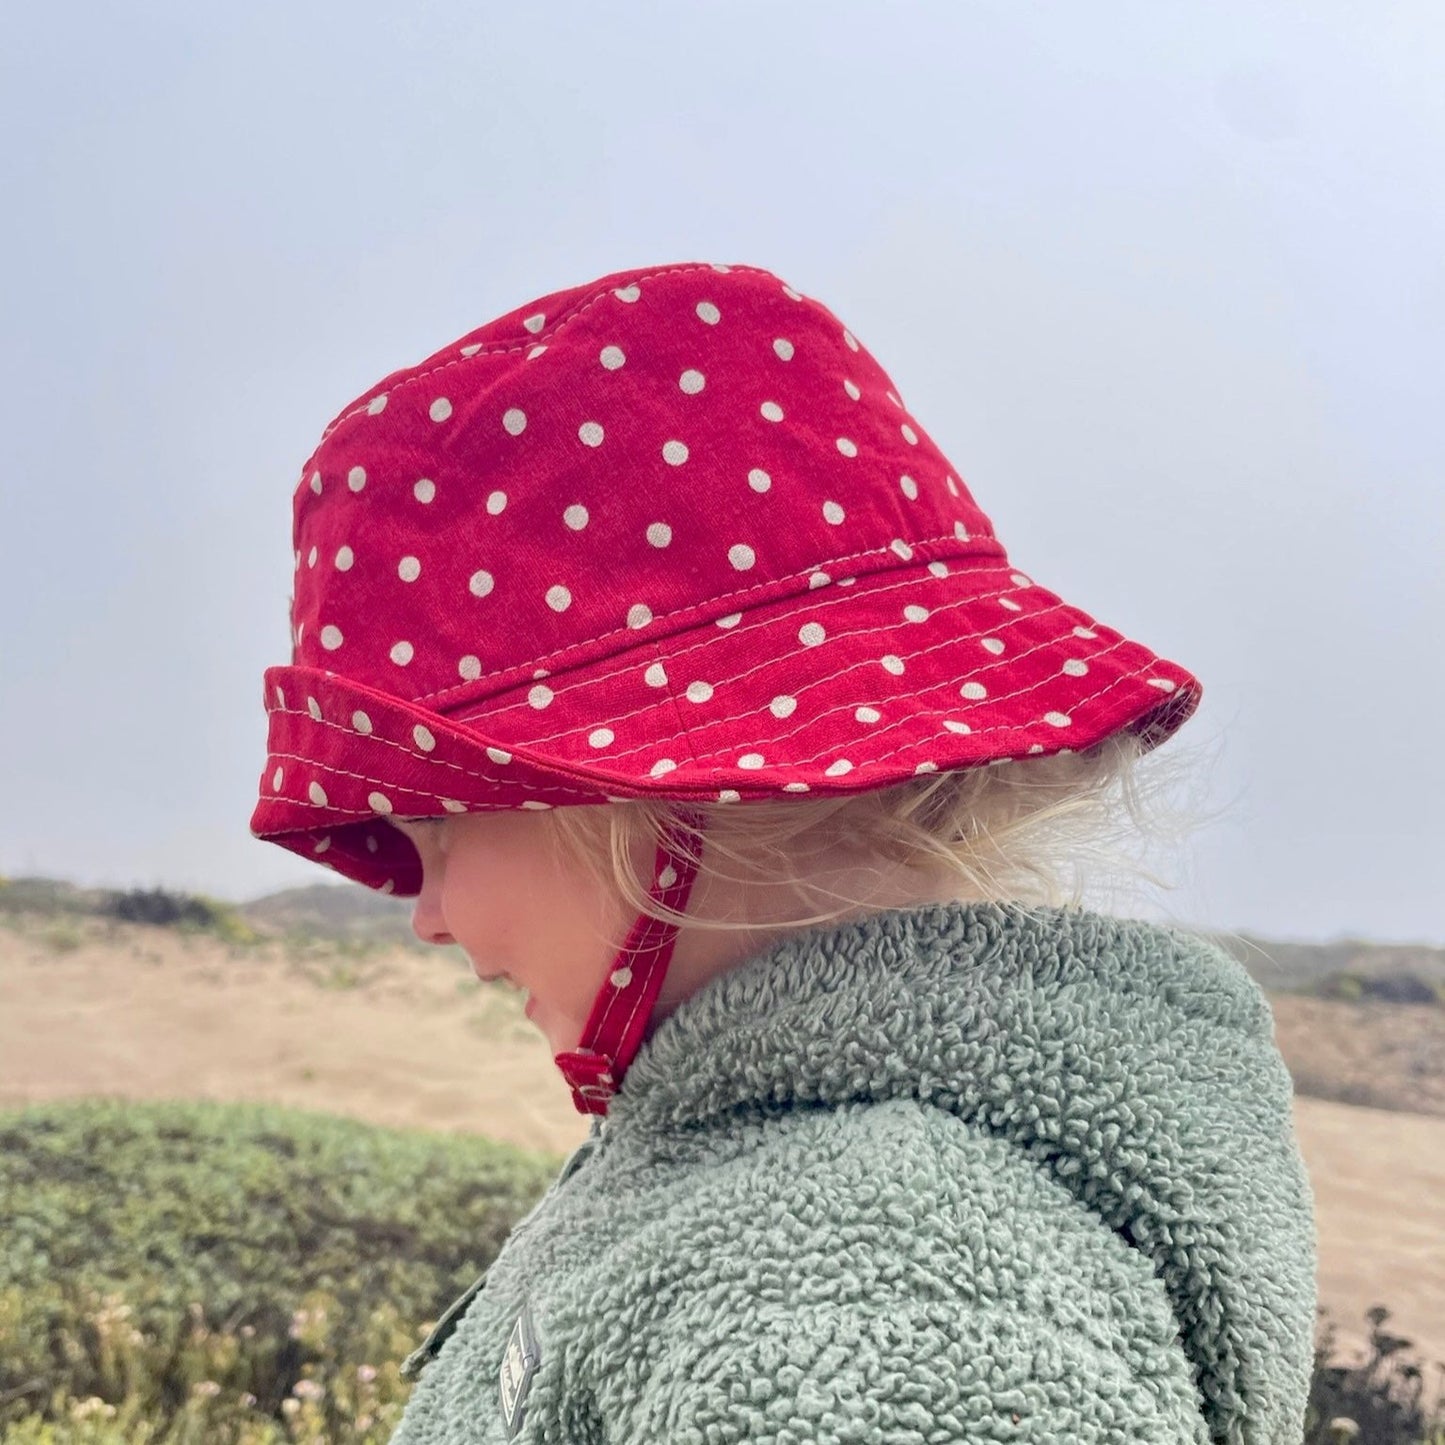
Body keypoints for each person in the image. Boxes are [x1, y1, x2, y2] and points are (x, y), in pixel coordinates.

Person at [250, 262, 1317, 1444]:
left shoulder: (880, 1283)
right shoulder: (778, 1166)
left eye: (436, 826)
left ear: (645, 802)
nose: (428, 914)